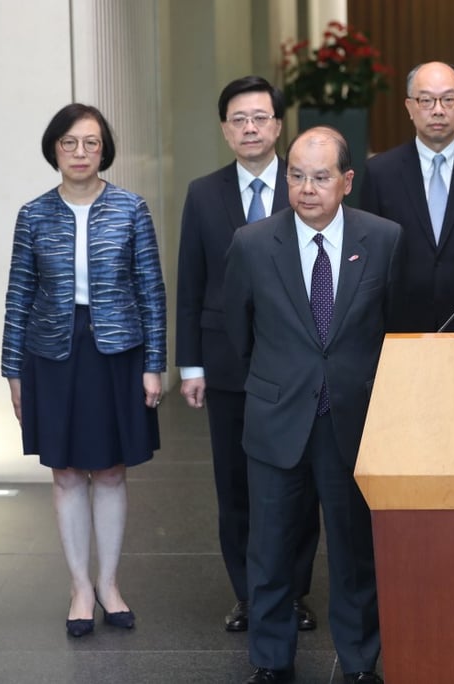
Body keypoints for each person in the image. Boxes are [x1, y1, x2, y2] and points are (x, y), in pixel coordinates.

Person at [224, 126, 401, 684]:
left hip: (352, 418)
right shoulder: (253, 243)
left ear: (346, 181)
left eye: (320, 177)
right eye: (296, 176)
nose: (306, 188)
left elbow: (394, 326)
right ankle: (271, 660)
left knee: (354, 553)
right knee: (271, 549)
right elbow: (239, 332)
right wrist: (279, 381)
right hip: (277, 417)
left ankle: (360, 663)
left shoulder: (384, 239)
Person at [2, 104, 166, 638]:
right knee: (67, 471)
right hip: (52, 353)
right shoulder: (33, 214)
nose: (80, 152)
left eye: (91, 142)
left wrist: (154, 364)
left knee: (112, 469)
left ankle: (109, 583)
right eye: (69, 143)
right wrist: (13, 372)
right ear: (54, 149)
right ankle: (79, 587)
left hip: (117, 351)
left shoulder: (131, 209)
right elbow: (18, 295)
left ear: (104, 150)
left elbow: (152, 291)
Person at [175, 76, 320, 633]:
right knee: (235, 485)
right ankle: (248, 594)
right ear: (225, 130)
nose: (251, 128)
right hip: (228, 363)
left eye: (260, 118)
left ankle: (294, 592)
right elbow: (191, 283)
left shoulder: (306, 184)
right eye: (239, 119)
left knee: (298, 483)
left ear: (279, 126)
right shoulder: (202, 193)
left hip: (298, 362)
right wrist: (191, 364)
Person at [359, 61, 454, 331]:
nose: (438, 110)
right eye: (426, 100)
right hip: (402, 325)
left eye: (448, 99)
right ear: (410, 107)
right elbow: (370, 255)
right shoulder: (380, 172)